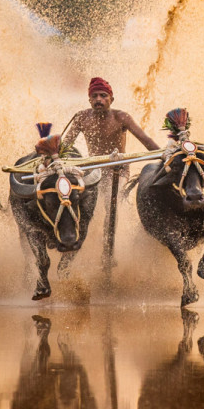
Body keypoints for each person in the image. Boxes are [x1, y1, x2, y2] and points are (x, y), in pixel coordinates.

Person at [61, 77, 160, 268]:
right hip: (93, 171)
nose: (99, 99)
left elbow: (146, 141)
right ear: (89, 100)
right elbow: (65, 147)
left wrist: (165, 155)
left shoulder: (121, 117)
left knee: (111, 206)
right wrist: (52, 157)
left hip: (118, 171)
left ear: (111, 99)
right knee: (74, 204)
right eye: (95, 96)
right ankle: (70, 245)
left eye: (103, 96)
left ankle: (107, 253)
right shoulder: (81, 117)